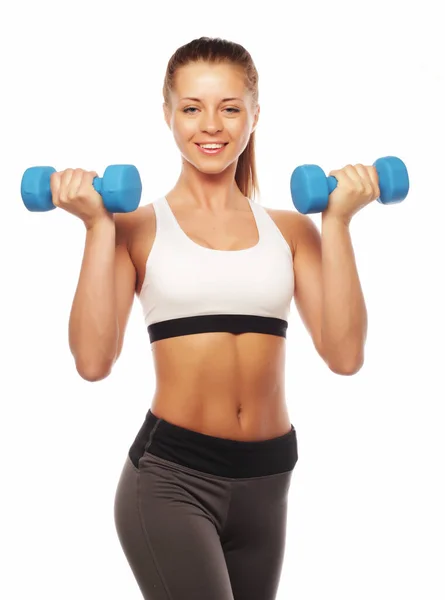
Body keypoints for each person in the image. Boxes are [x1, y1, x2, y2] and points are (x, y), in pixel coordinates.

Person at [51, 37, 380, 600]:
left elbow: (345, 355)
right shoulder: (137, 227)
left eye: (230, 107)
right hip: (173, 479)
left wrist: (339, 223)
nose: (211, 125)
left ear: (255, 114)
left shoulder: (292, 230)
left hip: (269, 479)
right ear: (167, 114)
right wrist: (97, 226)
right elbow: (92, 361)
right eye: (191, 107)